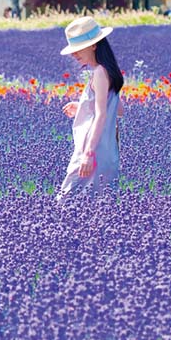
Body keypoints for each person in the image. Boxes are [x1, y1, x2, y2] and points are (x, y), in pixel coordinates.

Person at [56, 16, 124, 201]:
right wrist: (83, 106)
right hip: (108, 150)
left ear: (94, 45)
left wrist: (88, 154)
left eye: (78, 49)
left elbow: (101, 115)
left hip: (92, 150)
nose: (74, 54)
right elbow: (117, 110)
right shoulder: (108, 71)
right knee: (102, 206)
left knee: (65, 202)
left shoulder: (99, 73)